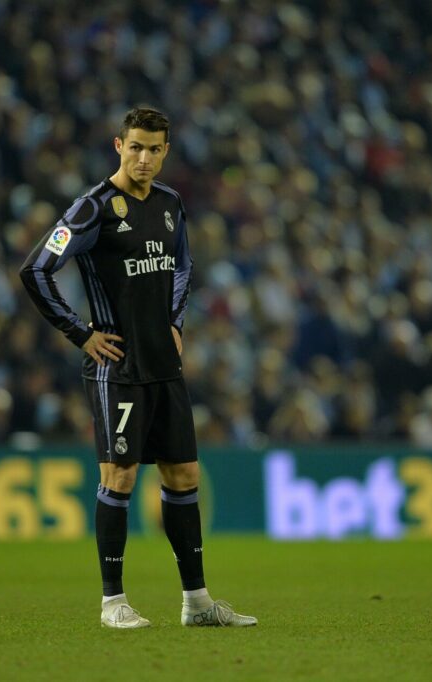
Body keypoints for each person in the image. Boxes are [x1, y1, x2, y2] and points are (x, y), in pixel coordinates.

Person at [20, 106, 256, 629]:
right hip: (117, 368)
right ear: (118, 146)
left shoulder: (172, 204)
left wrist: (175, 321)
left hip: (164, 364)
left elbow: (183, 265)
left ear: (166, 151)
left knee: (183, 473)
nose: (144, 158)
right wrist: (81, 334)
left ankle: (196, 603)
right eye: (135, 148)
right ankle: (112, 603)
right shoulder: (91, 209)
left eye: (154, 149)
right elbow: (36, 270)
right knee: (120, 476)